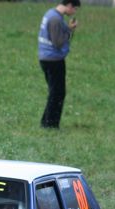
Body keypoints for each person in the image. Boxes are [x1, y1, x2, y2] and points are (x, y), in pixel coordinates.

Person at [37, 0, 79, 129]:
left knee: (54, 92)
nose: (74, 12)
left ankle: (46, 122)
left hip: (45, 58)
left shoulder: (50, 14)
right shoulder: (55, 19)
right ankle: (50, 124)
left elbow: (55, 33)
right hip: (53, 60)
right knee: (58, 93)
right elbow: (58, 42)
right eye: (75, 8)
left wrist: (68, 28)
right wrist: (69, 33)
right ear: (69, 5)